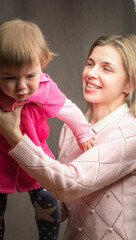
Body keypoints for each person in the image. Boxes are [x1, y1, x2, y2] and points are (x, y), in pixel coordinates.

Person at [0, 33, 136, 240]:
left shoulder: (129, 133)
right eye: (90, 63)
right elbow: (64, 203)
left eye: (106, 68)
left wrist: (16, 137)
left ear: (130, 84)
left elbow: (68, 186)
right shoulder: (73, 128)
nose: (91, 73)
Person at [0, 19, 95, 240]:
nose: (21, 86)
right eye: (10, 78)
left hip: (35, 155)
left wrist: (83, 133)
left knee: (49, 200)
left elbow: (68, 109)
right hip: (1, 160)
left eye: (30, 75)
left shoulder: (44, 88)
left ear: (42, 65)